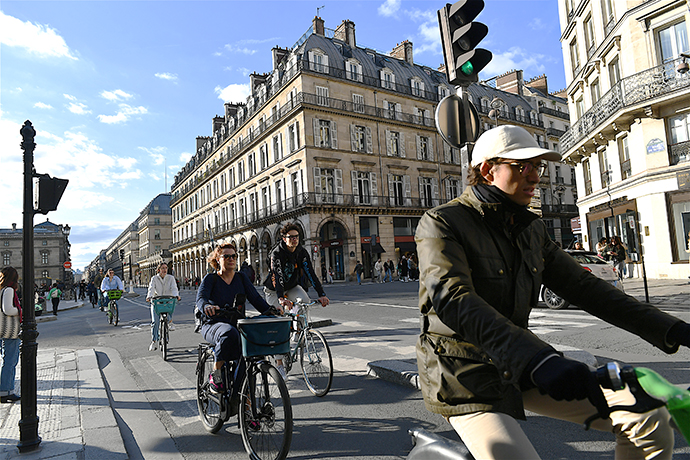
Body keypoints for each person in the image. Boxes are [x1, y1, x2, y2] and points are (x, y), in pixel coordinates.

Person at [414, 125, 690, 460]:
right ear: (488, 170)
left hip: (516, 363)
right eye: (523, 167)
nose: (535, 177)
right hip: (463, 374)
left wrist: (672, 329)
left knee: (648, 419)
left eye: (538, 167)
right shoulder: (443, 222)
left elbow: (586, 288)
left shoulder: (531, 230)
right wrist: (539, 359)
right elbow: (452, 298)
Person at [196, 243, 277, 397]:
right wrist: (206, 306)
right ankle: (216, 373)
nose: (231, 259)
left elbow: (255, 298)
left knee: (248, 361)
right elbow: (201, 298)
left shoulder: (241, 277)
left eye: (233, 256)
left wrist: (271, 310)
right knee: (229, 333)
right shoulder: (211, 278)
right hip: (212, 324)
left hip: (237, 324)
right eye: (226, 256)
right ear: (218, 259)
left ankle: (246, 410)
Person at [263, 223, 329, 376]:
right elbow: (277, 276)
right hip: (274, 291)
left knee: (305, 301)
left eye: (296, 237)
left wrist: (321, 293)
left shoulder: (301, 252)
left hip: (292, 286)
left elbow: (311, 273)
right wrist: (280, 298)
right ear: (284, 239)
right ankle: (279, 364)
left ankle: (298, 332)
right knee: (278, 323)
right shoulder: (276, 253)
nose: (294, 239)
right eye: (290, 237)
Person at [146, 262, 181, 351]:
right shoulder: (154, 278)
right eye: (162, 268)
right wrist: (149, 296)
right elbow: (151, 288)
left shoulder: (171, 278)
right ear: (159, 270)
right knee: (155, 322)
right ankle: (154, 341)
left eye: (166, 268)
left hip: (167, 299)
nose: (164, 270)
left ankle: (170, 322)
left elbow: (174, 288)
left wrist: (176, 295)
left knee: (172, 304)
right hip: (157, 301)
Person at [0, 267, 21, 403]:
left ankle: (7, 390)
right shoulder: (8, 290)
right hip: (10, 329)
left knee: (9, 359)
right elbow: (7, 309)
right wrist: (20, 310)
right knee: (11, 360)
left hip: (4, 328)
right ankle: (6, 391)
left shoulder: (2, 289)